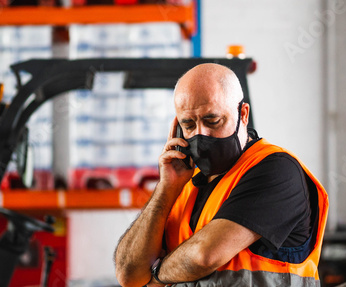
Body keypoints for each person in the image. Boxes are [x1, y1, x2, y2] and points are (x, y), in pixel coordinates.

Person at [114, 63, 329, 287]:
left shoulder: (276, 170)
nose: (201, 134)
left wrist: (156, 274)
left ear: (243, 114)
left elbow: (204, 256)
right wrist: (165, 189)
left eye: (212, 121)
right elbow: (129, 275)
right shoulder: (183, 185)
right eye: (188, 125)